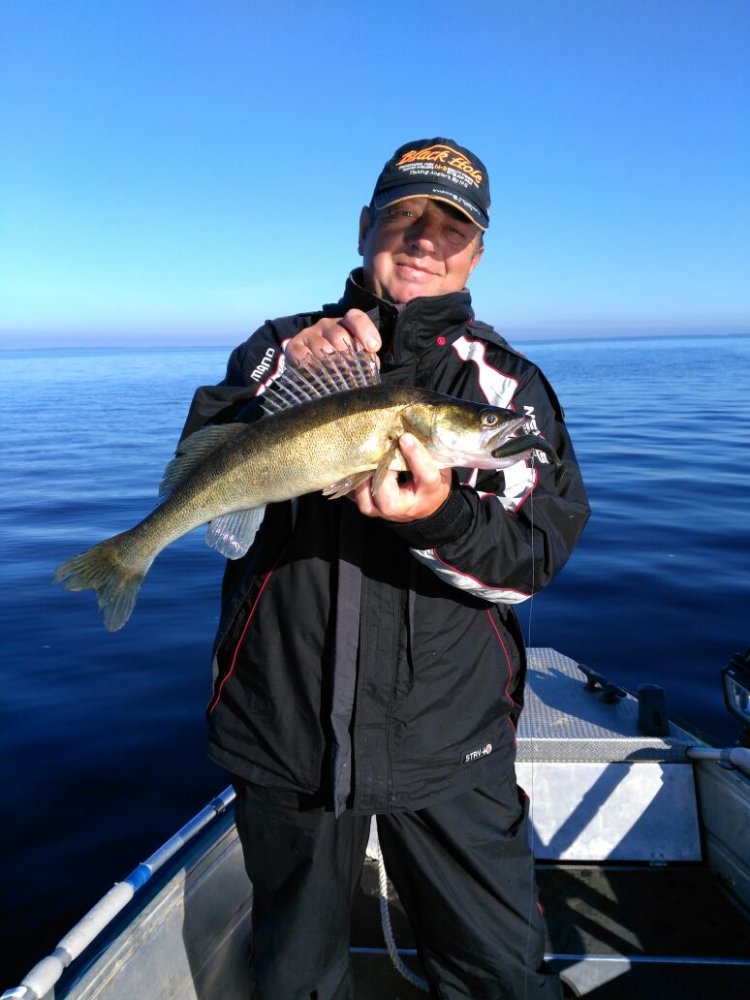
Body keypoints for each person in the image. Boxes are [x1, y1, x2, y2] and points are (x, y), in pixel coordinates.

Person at [181, 138, 590, 999]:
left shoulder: (508, 389)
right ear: (366, 226)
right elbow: (205, 462)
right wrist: (283, 380)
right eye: (404, 215)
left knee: (496, 975)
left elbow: (533, 553)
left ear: (477, 252)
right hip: (282, 732)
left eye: (451, 226)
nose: (424, 238)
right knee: (293, 976)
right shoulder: (278, 349)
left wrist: (439, 517)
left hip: (452, 742)